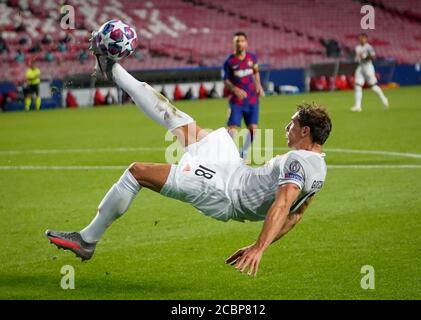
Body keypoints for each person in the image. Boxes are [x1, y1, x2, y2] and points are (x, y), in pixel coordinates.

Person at [45, 35, 332, 276]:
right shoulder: (319, 168)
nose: (287, 127)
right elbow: (295, 218)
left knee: (137, 172)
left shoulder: (298, 162)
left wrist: (258, 247)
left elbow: (283, 207)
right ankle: (113, 69)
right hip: (232, 168)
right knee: (177, 117)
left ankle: (87, 239)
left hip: (224, 192)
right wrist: (262, 244)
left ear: (305, 131)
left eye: (292, 123)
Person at [223, 31, 264, 161]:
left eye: (242, 41)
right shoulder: (229, 61)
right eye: (237, 41)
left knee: (253, 129)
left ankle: (243, 152)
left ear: (246, 43)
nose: (240, 43)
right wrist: (235, 90)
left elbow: (256, 73)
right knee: (232, 129)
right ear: (233, 44)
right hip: (237, 101)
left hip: (252, 99)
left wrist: (259, 85)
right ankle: (230, 155)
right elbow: (226, 80)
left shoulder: (252, 58)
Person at [351, 33, 389, 112]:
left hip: (368, 68)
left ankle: (384, 99)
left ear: (366, 39)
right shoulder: (357, 47)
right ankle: (358, 106)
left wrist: (366, 57)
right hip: (361, 67)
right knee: (358, 85)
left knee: (373, 86)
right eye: (360, 38)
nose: (361, 39)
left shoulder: (369, 47)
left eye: (363, 38)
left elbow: (373, 56)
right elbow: (357, 57)